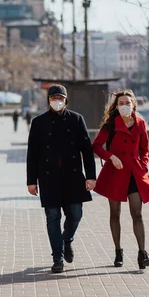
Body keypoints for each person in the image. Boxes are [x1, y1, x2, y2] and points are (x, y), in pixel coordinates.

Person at [26, 84, 96, 273]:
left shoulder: (76, 119)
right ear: (48, 101)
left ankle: (67, 240)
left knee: (76, 214)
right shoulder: (39, 123)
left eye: (60, 98)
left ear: (66, 100)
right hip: (48, 178)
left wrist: (91, 176)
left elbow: (87, 151)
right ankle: (57, 257)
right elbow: (32, 153)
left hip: (73, 177)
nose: (57, 101)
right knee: (53, 217)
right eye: (53, 98)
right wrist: (31, 181)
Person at [92, 90, 149, 270]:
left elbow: (144, 149)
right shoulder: (110, 125)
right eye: (121, 103)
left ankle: (142, 253)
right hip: (115, 173)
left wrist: (143, 166)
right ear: (116, 106)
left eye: (128, 102)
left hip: (134, 173)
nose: (125, 105)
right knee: (115, 213)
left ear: (133, 104)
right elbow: (95, 146)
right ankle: (118, 251)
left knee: (137, 213)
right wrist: (111, 157)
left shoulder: (140, 123)